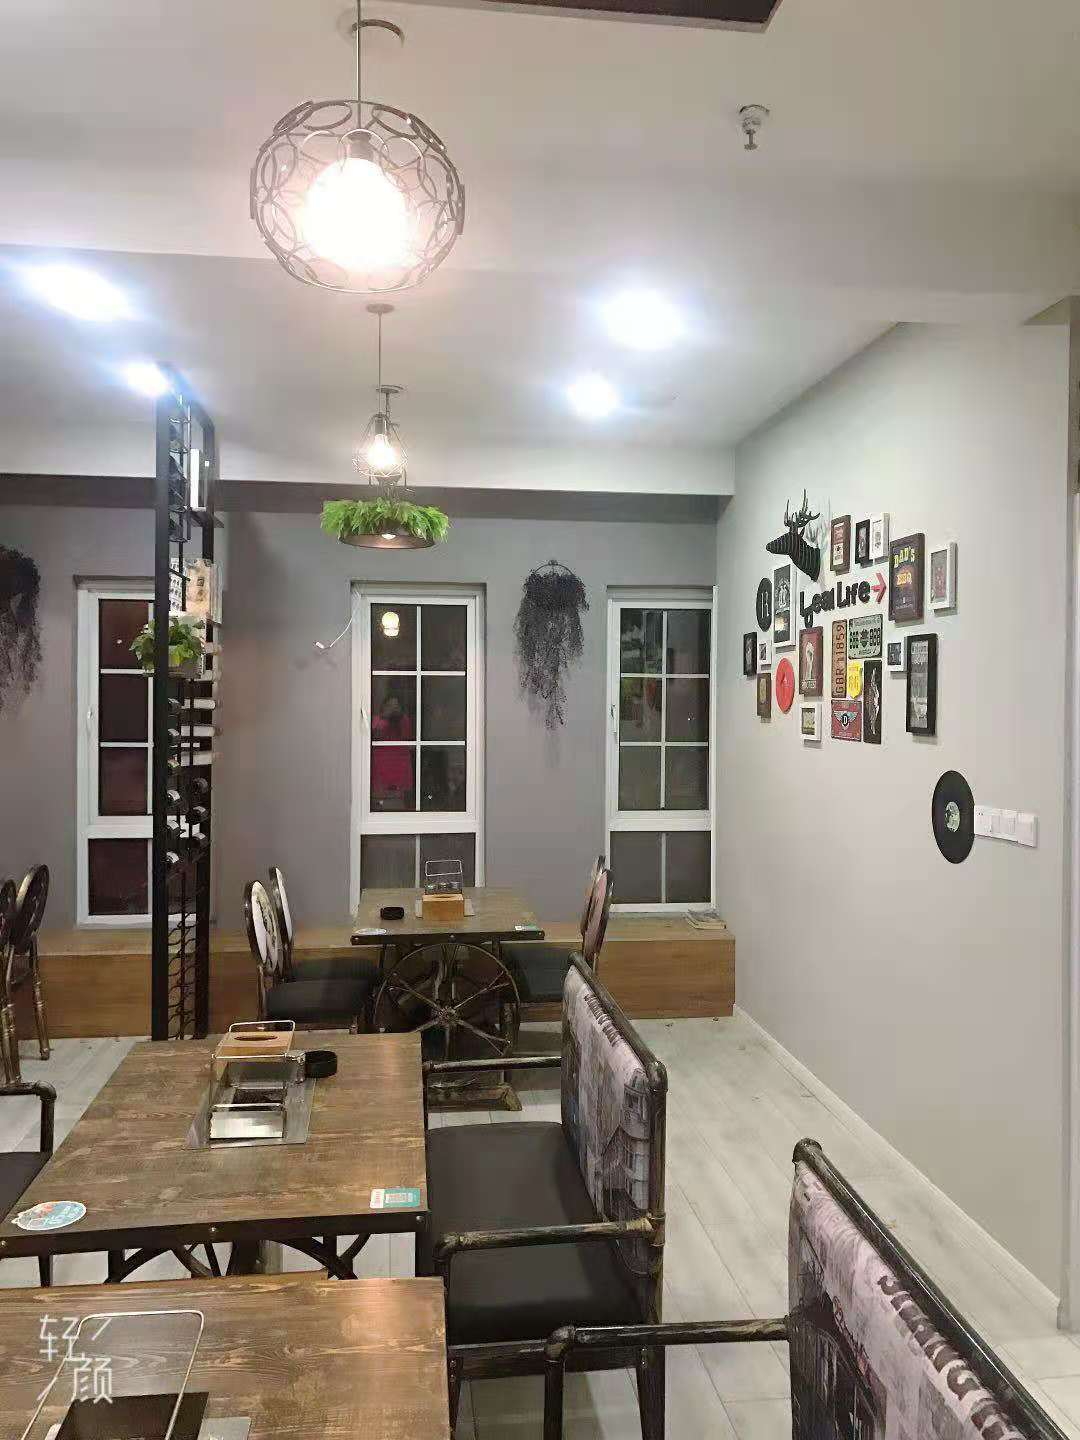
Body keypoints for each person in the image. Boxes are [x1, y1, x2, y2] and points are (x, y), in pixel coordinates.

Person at [371, 693, 413, 808]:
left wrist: (398, 719)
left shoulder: (403, 720)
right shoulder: (376, 719)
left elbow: (406, 736)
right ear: (384, 707)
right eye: (390, 706)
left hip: (399, 762)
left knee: (398, 797)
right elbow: (376, 735)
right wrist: (385, 718)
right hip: (381, 762)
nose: (393, 709)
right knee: (380, 796)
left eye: (396, 706)